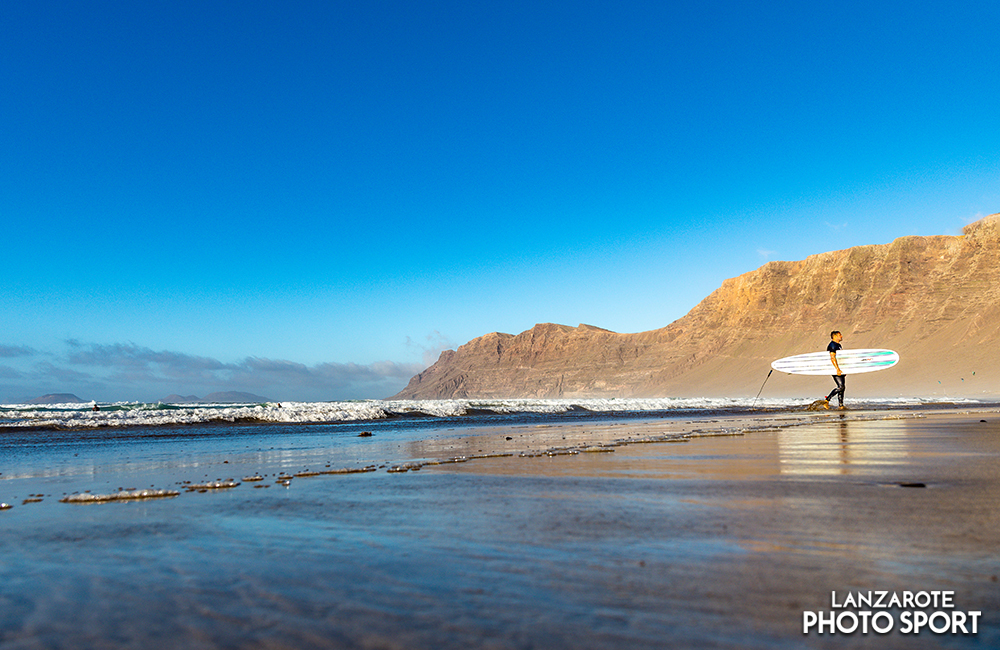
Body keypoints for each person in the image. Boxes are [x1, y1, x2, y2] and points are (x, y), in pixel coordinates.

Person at [825, 331, 846, 409]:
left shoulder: (838, 345)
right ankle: (827, 400)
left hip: (840, 369)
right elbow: (832, 358)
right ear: (835, 336)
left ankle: (841, 405)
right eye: (840, 335)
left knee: (842, 387)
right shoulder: (832, 345)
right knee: (841, 387)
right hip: (835, 368)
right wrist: (837, 369)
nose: (841, 336)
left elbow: (840, 358)